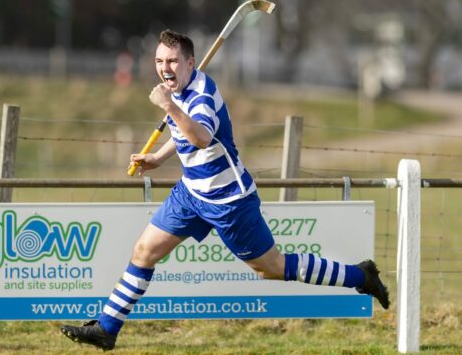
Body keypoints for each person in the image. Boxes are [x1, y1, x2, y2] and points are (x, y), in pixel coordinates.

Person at [61, 29, 390, 351]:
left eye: (173, 61)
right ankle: (107, 329)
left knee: (271, 268)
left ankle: (360, 276)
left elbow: (201, 136)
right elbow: (185, 135)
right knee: (143, 252)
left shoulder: (200, 97)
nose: (165, 68)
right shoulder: (177, 89)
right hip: (190, 194)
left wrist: (168, 106)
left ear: (191, 63)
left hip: (229, 201)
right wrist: (159, 157)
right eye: (160, 60)